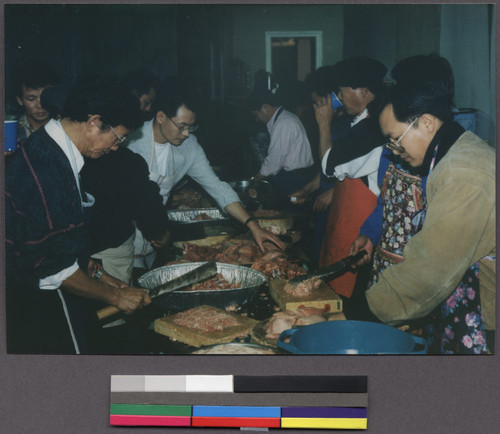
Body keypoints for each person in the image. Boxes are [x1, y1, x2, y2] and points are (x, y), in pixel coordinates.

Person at [5, 77, 151, 354]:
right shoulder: (48, 168)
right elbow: (56, 270)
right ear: (94, 122)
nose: (116, 147)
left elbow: (61, 241)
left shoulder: (54, 149)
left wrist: (102, 275)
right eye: (117, 137)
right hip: (40, 302)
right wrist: (117, 296)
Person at [349, 81, 495, 354]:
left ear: (427, 123)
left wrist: (358, 315)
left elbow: (430, 271)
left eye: (395, 138)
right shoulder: (452, 153)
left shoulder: (464, 174)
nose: (393, 150)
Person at [127, 90, 285, 269]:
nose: (186, 133)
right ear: (161, 116)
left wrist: (253, 226)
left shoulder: (189, 147)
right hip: (125, 233)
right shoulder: (132, 140)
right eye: (182, 126)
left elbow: (217, 187)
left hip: (156, 237)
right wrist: (154, 228)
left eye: (191, 127)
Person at [350, 55, 456, 308]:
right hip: (385, 271)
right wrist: (369, 234)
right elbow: (384, 202)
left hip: (421, 285)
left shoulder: (449, 163)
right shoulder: (396, 148)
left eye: (398, 87)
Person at [313, 57, 387, 301]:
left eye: (341, 92)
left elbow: (328, 168)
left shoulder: (370, 131)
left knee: (347, 305)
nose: (339, 97)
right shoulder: (358, 123)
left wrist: (323, 124)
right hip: (342, 230)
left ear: (362, 92)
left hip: (359, 235)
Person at [248, 90, 316, 207]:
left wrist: (255, 178)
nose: (257, 119)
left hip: (294, 180)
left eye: (256, 115)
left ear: (265, 107)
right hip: (294, 177)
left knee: (291, 214)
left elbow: (274, 161)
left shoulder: (283, 123)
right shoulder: (284, 118)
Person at [14, 59, 59, 145]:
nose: (39, 105)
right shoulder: (12, 133)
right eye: (31, 99)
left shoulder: (66, 127)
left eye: (45, 97)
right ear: (20, 100)